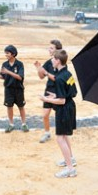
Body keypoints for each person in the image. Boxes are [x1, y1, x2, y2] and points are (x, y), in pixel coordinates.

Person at [39, 49, 78, 178]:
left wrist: (46, 99)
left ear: (58, 61)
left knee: (60, 138)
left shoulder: (60, 78)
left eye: (53, 59)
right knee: (65, 135)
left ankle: (70, 169)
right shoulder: (68, 74)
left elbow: (61, 101)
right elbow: (72, 92)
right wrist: (55, 95)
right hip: (70, 106)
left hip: (64, 110)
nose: (51, 60)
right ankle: (70, 159)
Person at [0, 44, 29, 133]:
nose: (6, 55)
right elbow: (3, 77)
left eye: (7, 53)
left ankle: (24, 124)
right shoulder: (4, 64)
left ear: (13, 54)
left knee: (21, 106)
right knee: (9, 107)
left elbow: (20, 77)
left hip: (18, 89)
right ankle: (11, 124)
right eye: (5, 53)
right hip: (8, 89)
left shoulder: (19, 64)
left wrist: (8, 72)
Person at [34, 39, 63, 143]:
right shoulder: (48, 62)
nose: (49, 49)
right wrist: (39, 69)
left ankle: (62, 135)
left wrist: (45, 72)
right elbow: (41, 77)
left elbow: (56, 78)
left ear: (57, 50)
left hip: (59, 91)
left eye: (51, 48)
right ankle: (47, 133)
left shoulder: (61, 63)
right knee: (45, 115)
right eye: (49, 47)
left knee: (59, 115)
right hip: (49, 90)